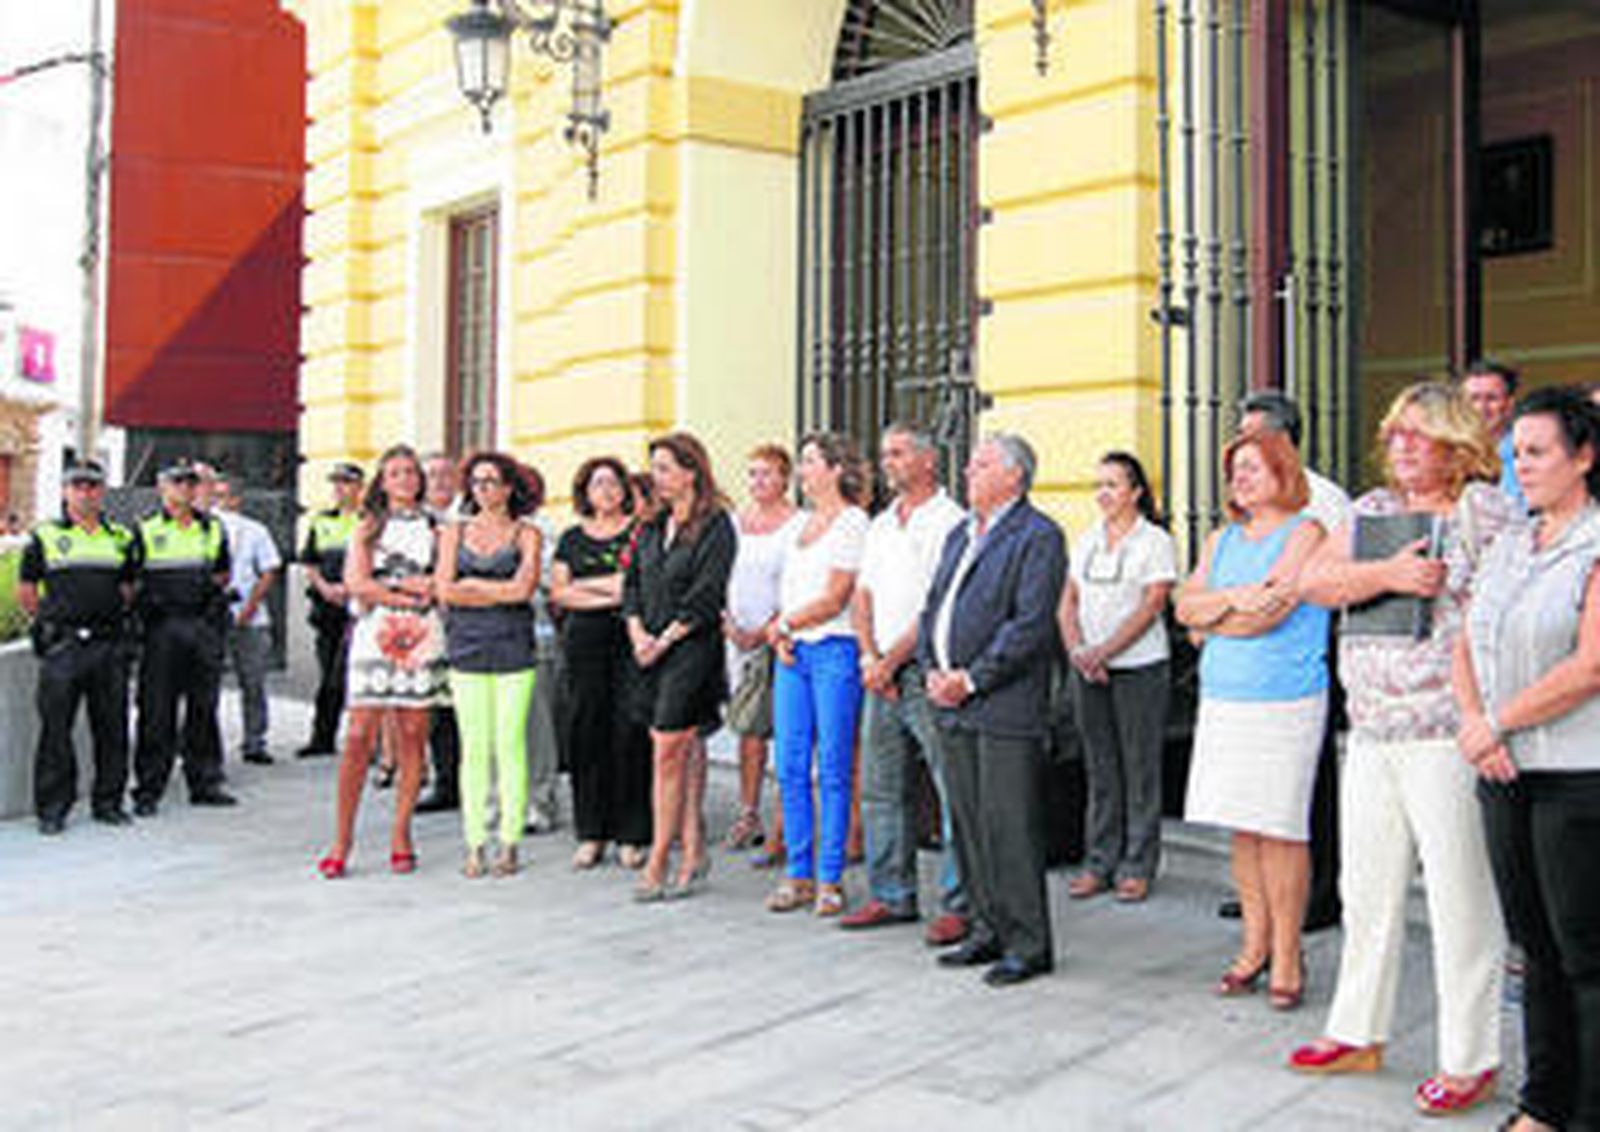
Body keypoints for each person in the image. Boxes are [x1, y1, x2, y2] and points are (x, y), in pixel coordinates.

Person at [1289, 382, 1515, 1116]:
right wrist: (1386, 575)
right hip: (1374, 729)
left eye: (1419, 433)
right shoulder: (1372, 511)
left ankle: (1469, 1057)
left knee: (1459, 901)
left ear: (1456, 440)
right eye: (1394, 435)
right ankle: (1358, 1030)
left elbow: (1505, 606)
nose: (1403, 446)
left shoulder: (1483, 509)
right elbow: (1311, 582)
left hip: (1446, 732)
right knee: (1367, 889)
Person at [1456, 386, 1600, 1132]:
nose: (1524, 466)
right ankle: (1543, 1104)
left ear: (1584, 456)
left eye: (1539, 452)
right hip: (1502, 772)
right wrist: (1478, 725)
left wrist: (1497, 725)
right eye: (1517, 454)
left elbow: (1590, 667)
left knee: (1585, 956)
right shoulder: (1512, 541)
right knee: (1534, 949)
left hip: (1577, 777)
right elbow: (1464, 637)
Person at [1176, 429, 1327, 1010]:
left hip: (1284, 698)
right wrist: (1234, 602)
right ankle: (1253, 945)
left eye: (1254, 468)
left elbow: (1272, 613)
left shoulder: (1306, 532)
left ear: (1283, 472)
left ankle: (1289, 953)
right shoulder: (1220, 539)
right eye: (1235, 468)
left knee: (1282, 827)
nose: (1241, 477)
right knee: (1242, 824)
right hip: (1225, 698)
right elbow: (1185, 611)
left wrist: (1215, 611)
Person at [922, 434, 1066, 987]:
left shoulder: (1039, 536)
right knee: (970, 822)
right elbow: (936, 603)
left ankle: (1028, 944)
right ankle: (986, 929)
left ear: (1014, 476)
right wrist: (931, 666)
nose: (967, 471)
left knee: (1010, 826)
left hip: (1004, 705)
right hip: (950, 700)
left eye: (981, 464)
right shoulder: (962, 533)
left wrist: (972, 678)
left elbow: (1029, 625)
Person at [840, 423, 970, 944]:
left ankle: (959, 902)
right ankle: (890, 893)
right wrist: (870, 656)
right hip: (880, 672)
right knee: (879, 788)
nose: (886, 462)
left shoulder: (951, 522)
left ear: (927, 461)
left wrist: (891, 661)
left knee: (950, 788)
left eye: (897, 453)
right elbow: (862, 594)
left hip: (923, 671)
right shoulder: (880, 525)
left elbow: (937, 604)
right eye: (884, 453)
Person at [1236, 390, 1351, 934]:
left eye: (1251, 434)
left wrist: (1236, 607)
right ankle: (1262, 893)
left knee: (1309, 784)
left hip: (1305, 654)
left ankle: (1319, 895)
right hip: (1249, 664)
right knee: (1258, 788)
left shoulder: (1322, 501)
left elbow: (1292, 588)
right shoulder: (1251, 497)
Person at [317, 445, 446, 877]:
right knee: (358, 735)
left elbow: (442, 584)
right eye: (395, 473)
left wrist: (404, 589)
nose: (405, 479)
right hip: (376, 632)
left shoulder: (438, 526)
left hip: (424, 635)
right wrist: (405, 593)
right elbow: (356, 583)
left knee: (413, 734)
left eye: (411, 472)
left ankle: (401, 832)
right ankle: (341, 839)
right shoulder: (368, 525)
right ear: (382, 481)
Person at [1059, 451, 1177, 905]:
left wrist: (1105, 651)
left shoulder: (1153, 542)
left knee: (1140, 768)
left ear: (1136, 492)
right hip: (1089, 669)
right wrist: (1078, 652)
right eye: (1098, 485)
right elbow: (1067, 601)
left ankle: (1138, 864)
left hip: (1140, 669)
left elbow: (1151, 606)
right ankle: (1099, 861)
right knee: (1101, 767)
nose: (1103, 494)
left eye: (1112, 484)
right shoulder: (1087, 539)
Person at [625, 432, 737, 901]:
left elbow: (706, 595)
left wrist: (665, 639)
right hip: (648, 649)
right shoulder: (651, 525)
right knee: (684, 752)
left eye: (666, 467)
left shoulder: (716, 525)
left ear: (692, 471)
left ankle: (659, 858)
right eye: (654, 467)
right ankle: (692, 849)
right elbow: (631, 584)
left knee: (669, 748)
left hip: (691, 650)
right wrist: (637, 634)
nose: (657, 476)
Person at [763, 433, 870, 917]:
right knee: (788, 764)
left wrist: (785, 624)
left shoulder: (853, 522)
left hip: (834, 651)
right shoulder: (800, 525)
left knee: (832, 765)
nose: (802, 471)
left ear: (834, 469)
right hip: (794, 655)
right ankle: (798, 873)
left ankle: (831, 878)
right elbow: (789, 590)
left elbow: (836, 596)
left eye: (809, 462)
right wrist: (782, 632)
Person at [16, 460, 140, 833]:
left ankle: (109, 803)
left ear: (102, 492)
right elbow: (27, 592)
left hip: (108, 645)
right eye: (78, 486)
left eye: (92, 486)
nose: (85, 493)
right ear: (65, 491)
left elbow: (128, 588)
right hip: (64, 647)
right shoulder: (46, 536)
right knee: (56, 731)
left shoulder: (120, 537)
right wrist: (58, 621)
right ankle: (53, 810)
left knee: (112, 728)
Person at [436, 452, 542, 878]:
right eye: (476, 482)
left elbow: (523, 591)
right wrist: (495, 589)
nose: (483, 489)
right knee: (475, 747)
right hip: (466, 646)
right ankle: (475, 842)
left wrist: (474, 586)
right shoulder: (453, 532)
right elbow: (444, 589)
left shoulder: (526, 533)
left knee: (509, 743)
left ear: (509, 487)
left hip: (514, 647)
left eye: (492, 481)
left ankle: (510, 840)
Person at [552, 456, 651, 870]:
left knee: (629, 730)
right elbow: (559, 592)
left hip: (628, 639)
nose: (607, 492)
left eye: (614, 484)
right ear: (585, 492)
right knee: (586, 729)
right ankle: (591, 832)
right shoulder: (572, 538)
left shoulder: (639, 533)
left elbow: (636, 585)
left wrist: (586, 586)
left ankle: (632, 834)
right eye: (598, 484)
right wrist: (611, 591)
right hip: (584, 642)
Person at [130, 460, 237, 815]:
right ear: (162, 489)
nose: (185, 490)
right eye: (177, 483)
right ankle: (149, 789)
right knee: (157, 710)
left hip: (202, 626)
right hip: (162, 628)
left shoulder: (213, 528)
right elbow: (132, 581)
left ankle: (205, 782)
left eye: (190, 484)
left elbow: (223, 574)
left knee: (203, 709)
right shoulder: (145, 530)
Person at [721, 443, 800, 855]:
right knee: (748, 726)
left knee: (786, 731)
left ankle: (786, 824)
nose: (758, 481)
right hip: (737, 638)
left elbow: (801, 581)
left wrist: (770, 627)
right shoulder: (735, 523)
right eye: (752, 473)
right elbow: (719, 574)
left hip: (780, 636)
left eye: (767, 473)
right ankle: (748, 812)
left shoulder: (797, 524)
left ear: (785, 478)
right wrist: (730, 624)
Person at [211, 472, 283, 766]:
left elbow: (269, 570)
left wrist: (251, 607)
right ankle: (204, 742)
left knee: (253, 682)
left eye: (224, 496)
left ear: (237, 499)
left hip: (250, 617)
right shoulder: (206, 527)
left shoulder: (255, 531)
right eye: (215, 496)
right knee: (207, 685)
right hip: (213, 616)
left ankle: (255, 741)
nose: (219, 502)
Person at [298, 462, 364, 758]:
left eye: (346, 483)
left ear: (359, 487)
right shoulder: (321, 521)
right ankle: (322, 738)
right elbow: (309, 563)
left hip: (360, 608)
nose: (339, 489)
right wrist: (325, 587)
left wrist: (351, 587)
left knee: (360, 676)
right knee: (329, 676)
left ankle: (366, 742)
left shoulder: (369, 521)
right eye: (336, 483)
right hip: (328, 609)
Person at [416, 452, 463, 810]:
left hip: (468, 621)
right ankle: (445, 782)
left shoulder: (469, 518)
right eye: (432, 475)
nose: (440, 482)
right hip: (427, 624)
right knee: (438, 708)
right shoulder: (414, 523)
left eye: (447, 474)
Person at [519, 462, 562, 834]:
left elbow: (547, 581)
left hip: (536, 635)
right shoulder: (477, 528)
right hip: (493, 639)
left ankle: (541, 798)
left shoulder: (544, 530)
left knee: (537, 726)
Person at [1462, 359, 1524, 509]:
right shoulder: (1449, 454)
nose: (1481, 408)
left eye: (1491, 398)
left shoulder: (1522, 454)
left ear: (1509, 404)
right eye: (1474, 398)